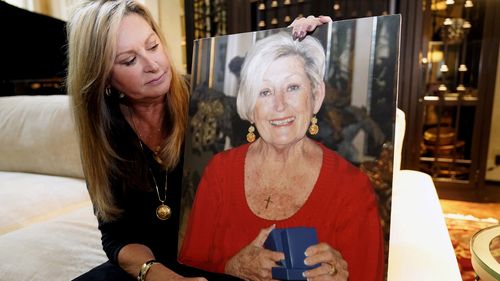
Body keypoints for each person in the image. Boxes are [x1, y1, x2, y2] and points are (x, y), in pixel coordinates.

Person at [66, 0, 331, 280]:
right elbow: (117, 235)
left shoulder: (209, 102)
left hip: (221, 262)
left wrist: (293, 44)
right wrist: (158, 275)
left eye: (153, 46)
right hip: (151, 268)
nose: (153, 64)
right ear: (104, 78)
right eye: (129, 60)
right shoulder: (104, 132)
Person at [179, 32, 384, 281]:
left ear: (316, 96)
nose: (280, 105)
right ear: (249, 105)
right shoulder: (220, 172)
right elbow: (189, 269)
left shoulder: (352, 187)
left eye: (293, 87)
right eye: (265, 92)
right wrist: (231, 268)